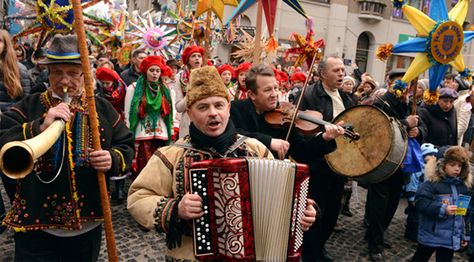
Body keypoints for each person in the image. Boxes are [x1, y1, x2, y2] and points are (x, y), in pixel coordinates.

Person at [127, 66, 317, 261]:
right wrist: (176, 208)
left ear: (228, 108)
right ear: (190, 114)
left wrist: (303, 212)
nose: (213, 113)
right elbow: (138, 198)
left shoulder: (256, 150)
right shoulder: (171, 155)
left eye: (219, 105)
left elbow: (284, 198)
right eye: (203, 107)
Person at [0, 34, 134, 261]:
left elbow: (126, 144)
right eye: (57, 73)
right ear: (48, 73)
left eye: (72, 74)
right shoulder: (30, 104)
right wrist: (40, 125)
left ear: (85, 75)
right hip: (35, 225)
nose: (64, 81)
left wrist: (113, 158)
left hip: (87, 227)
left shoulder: (101, 108)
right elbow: (3, 138)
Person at [296, 55, 356, 261]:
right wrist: (322, 134)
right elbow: (298, 125)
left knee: (332, 212)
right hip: (318, 162)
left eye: (342, 70)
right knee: (315, 210)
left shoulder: (347, 97)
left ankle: (320, 246)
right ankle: (311, 252)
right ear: (322, 74)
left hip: (339, 164)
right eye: (336, 70)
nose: (341, 74)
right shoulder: (309, 94)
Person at [366, 68, 426, 261]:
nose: (403, 87)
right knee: (379, 204)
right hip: (383, 161)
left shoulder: (410, 103)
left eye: (407, 83)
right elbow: (377, 127)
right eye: (400, 82)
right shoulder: (382, 102)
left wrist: (419, 131)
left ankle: (378, 234)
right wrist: (405, 123)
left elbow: (422, 126)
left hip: (402, 162)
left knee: (392, 203)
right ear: (390, 82)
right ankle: (374, 245)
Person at [412, 146, 472, 262]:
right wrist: (442, 209)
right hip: (431, 235)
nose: (457, 169)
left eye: (460, 166)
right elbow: (421, 202)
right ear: (441, 165)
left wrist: (465, 235)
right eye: (453, 164)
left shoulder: (463, 188)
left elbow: (466, 214)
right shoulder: (431, 184)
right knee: (420, 257)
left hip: (450, 239)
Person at [124, 55, 174, 178]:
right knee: (143, 166)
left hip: (161, 133)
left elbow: (172, 113)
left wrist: (172, 130)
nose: (155, 74)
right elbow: (128, 112)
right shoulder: (134, 88)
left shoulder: (167, 90)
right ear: (145, 71)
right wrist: (129, 132)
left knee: (160, 164)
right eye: (152, 70)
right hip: (142, 133)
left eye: (157, 71)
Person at [95, 66, 128, 203]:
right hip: (105, 123)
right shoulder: (98, 95)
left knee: (119, 153)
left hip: (118, 122)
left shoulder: (121, 92)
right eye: (103, 83)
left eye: (108, 83)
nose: (106, 86)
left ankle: (120, 190)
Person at [172, 45, 204, 138]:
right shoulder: (180, 77)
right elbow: (179, 107)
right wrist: (191, 94)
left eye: (199, 56)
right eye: (193, 56)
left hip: (205, 118)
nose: (197, 58)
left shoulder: (208, 75)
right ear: (188, 60)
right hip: (187, 120)